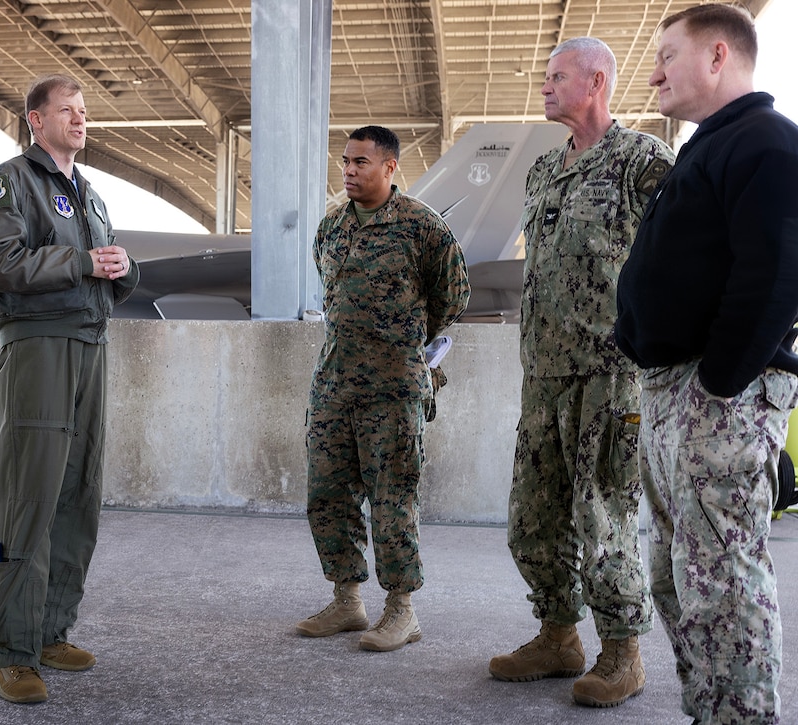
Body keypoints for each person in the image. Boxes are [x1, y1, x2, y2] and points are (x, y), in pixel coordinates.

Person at [615, 5, 798, 722]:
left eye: (668, 54)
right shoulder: (709, 146)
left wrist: (719, 383)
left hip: (716, 391)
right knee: (676, 573)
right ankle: (711, 709)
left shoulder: (767, 144)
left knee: (721, 578)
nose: (655, 71)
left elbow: (776, 275)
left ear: (717, 56)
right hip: (672, 390)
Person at [487, 37, 675, 708]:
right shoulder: (543, 170)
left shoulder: (641, 161)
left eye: (556, 76)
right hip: (543, 369)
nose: (543, 86)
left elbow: (692, 242)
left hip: (610, 371)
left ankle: (622, 652)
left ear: (595, 81)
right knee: (531, 515)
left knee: (605, 513)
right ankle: (557, 634)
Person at [0, 73, 139, 704]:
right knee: (28, 497)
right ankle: (13, 650)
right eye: (66, 110)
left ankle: (50, 631)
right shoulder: (7, 183)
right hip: (39, 348)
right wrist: (83, 262)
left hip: (90, 349)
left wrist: (121, 268)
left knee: (77, 495)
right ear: (35, 120)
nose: (80, 118)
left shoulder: (88, 193)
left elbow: (100, 268)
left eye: (84, 110)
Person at [296, 125, 470, 652]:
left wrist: (405, 342)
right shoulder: (332, 226)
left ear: (390, 167)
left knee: (392, 497)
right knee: (327, 491)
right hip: (334, 380)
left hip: (393, 387)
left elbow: (454, 296)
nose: (349, 171)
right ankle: (347, 601)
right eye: (345, 162)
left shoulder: (422, 226)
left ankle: (401, 610)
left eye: (361, 163)